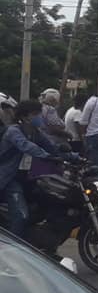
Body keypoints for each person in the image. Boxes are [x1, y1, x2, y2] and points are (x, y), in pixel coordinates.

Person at [0, 100, 61, 237]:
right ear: (25, 116)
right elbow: (25, 145)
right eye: (35, 114)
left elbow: (53, 148)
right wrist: (46, 156)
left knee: (46, 204)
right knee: (21, 216)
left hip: (27, 179)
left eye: (39, 113)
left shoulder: (35, 133)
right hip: (9, 180)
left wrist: (75, 157)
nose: (39, 117)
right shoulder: (13, 131)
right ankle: (12, 250)